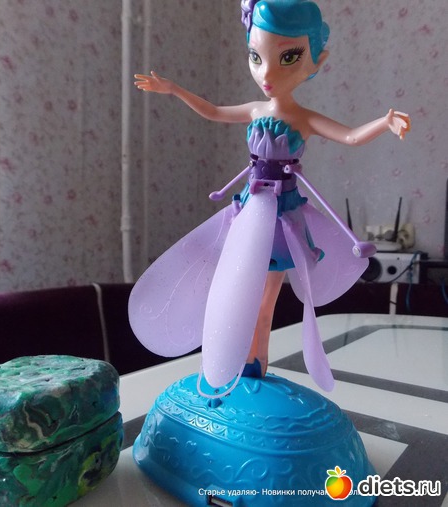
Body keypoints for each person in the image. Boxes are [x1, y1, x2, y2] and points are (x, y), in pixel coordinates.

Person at [130, 0, 410, 394]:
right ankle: (227, 362)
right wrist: (173, 89)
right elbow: (213, 111)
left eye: (288, 57)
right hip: (248, 212)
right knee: (232, 288)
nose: (267, 73)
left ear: (317, 61)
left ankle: (254, 362)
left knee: (265, 301)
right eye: (256, 56)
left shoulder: (303, 119)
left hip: (281, 218)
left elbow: (349, 136)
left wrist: (384, 122)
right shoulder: (255, 109)